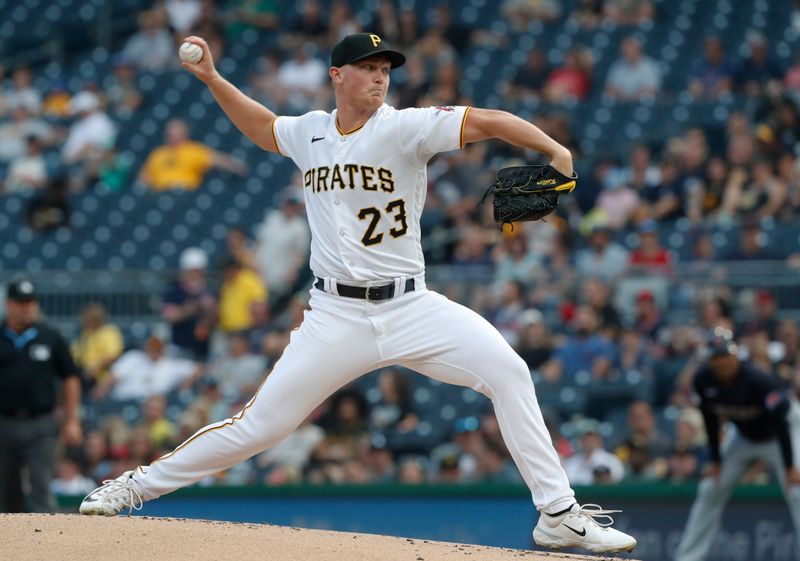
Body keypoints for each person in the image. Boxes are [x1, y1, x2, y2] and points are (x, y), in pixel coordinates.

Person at [80, 32, 636, 555]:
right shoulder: (311, 131)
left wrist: (553, 148)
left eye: (385, 69)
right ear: (336, 75)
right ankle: (133, 486)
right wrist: (213, 79)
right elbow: (264, 129)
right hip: (335, 315)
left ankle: (558, 513)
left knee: (509, 371)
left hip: (411, 305)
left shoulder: (405, 127)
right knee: (260, 428)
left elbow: (487, 120)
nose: (379, 78)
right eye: (367, 69)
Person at [675, 328, 800, 561]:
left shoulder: (757, 379)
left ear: (734, 356)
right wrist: (715, 459)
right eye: (715, 357)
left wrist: (790, 465)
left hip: (783, 432)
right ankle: (688, 557)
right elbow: (710, 418)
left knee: (796, 490)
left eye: (724, 356)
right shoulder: (704, 379)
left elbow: (780, 421)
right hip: (743, 437)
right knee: (710, 487)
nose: (720, 362)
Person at [0, 279, 82, 512]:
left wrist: (72, 419)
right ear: (8, 304)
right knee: (6, 489)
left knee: (41, 484)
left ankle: (46, 544)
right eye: (21, 302)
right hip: (3, 422)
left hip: (41, 423)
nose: (27, 307)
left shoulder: (50, 337)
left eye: (31, 301)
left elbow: (70, 378)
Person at [137, 118, 247, 191]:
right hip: (161, 194)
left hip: (185, 194)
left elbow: (217, 159)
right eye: (170, 133)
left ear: (185, 134)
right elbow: (144, 177)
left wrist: (236, 166)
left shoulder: (194, 150)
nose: (173, 136)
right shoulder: (158, 153)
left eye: (176, 133)